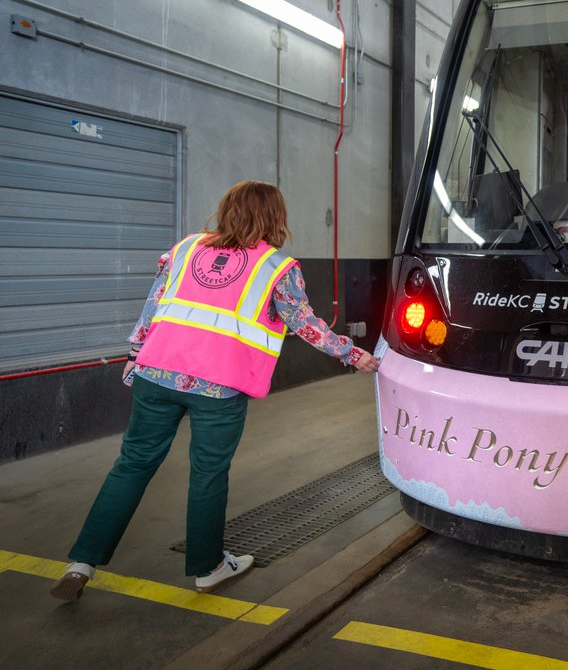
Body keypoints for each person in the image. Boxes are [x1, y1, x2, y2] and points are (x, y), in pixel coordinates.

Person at [50, 181, 380, 601]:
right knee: (207, 474)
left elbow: (153, 306)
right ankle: (208, 567)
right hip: (217, 388)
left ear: (226, 211)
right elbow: (305, 324)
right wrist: (353, 354)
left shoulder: (186, 249)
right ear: (276, 218)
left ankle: (82, 563)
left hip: (157, 375)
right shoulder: (277, 267)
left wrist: (134, 356)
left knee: (131, 465)